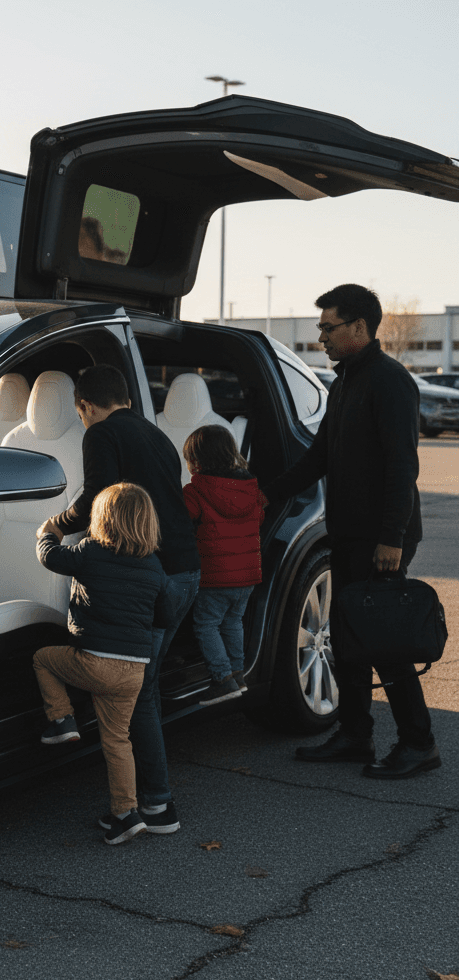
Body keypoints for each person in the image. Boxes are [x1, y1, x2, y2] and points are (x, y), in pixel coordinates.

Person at [262, 283, 440, 779]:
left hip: (382, 536)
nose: (321, 337)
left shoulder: (390, 381)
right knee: (348, 636)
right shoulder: (344, 383)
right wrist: (265, 494)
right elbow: (318, 457)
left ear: (359, 327)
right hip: (348, 532)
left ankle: (419, 743)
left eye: (328, 327)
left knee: (384, 639)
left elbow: (404, 466)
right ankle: (356, 735)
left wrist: (392, 537)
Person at [43, 364, 200, 834]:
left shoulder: (101, 434)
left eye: (83, 415)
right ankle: (149, 801)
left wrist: (56, 525)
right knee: (141, 681)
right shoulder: (157, 436)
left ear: (86, 406)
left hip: (151, 571)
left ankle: (156, 805)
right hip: (186, 569)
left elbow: (98, 499)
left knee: (142, 689)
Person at [34, 483, 173, 844]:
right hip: (133, 671)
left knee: (43, 659)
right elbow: (165, 616)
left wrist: (46, 534)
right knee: (118, 740)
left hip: (94, 662)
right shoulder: (154, 565)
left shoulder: (91, 551)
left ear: (102, 518)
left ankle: (61, 719)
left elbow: (52, 558)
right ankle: (126, 813)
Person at [181, 424, 265, 706]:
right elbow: (259, 519)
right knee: (232, 621)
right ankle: (238, 674)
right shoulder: (250, 487)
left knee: (206, 625)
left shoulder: (195, 492)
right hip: (248, 576)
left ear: (197, 461)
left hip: (215, 578)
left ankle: (222, 679)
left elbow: (181, 524)